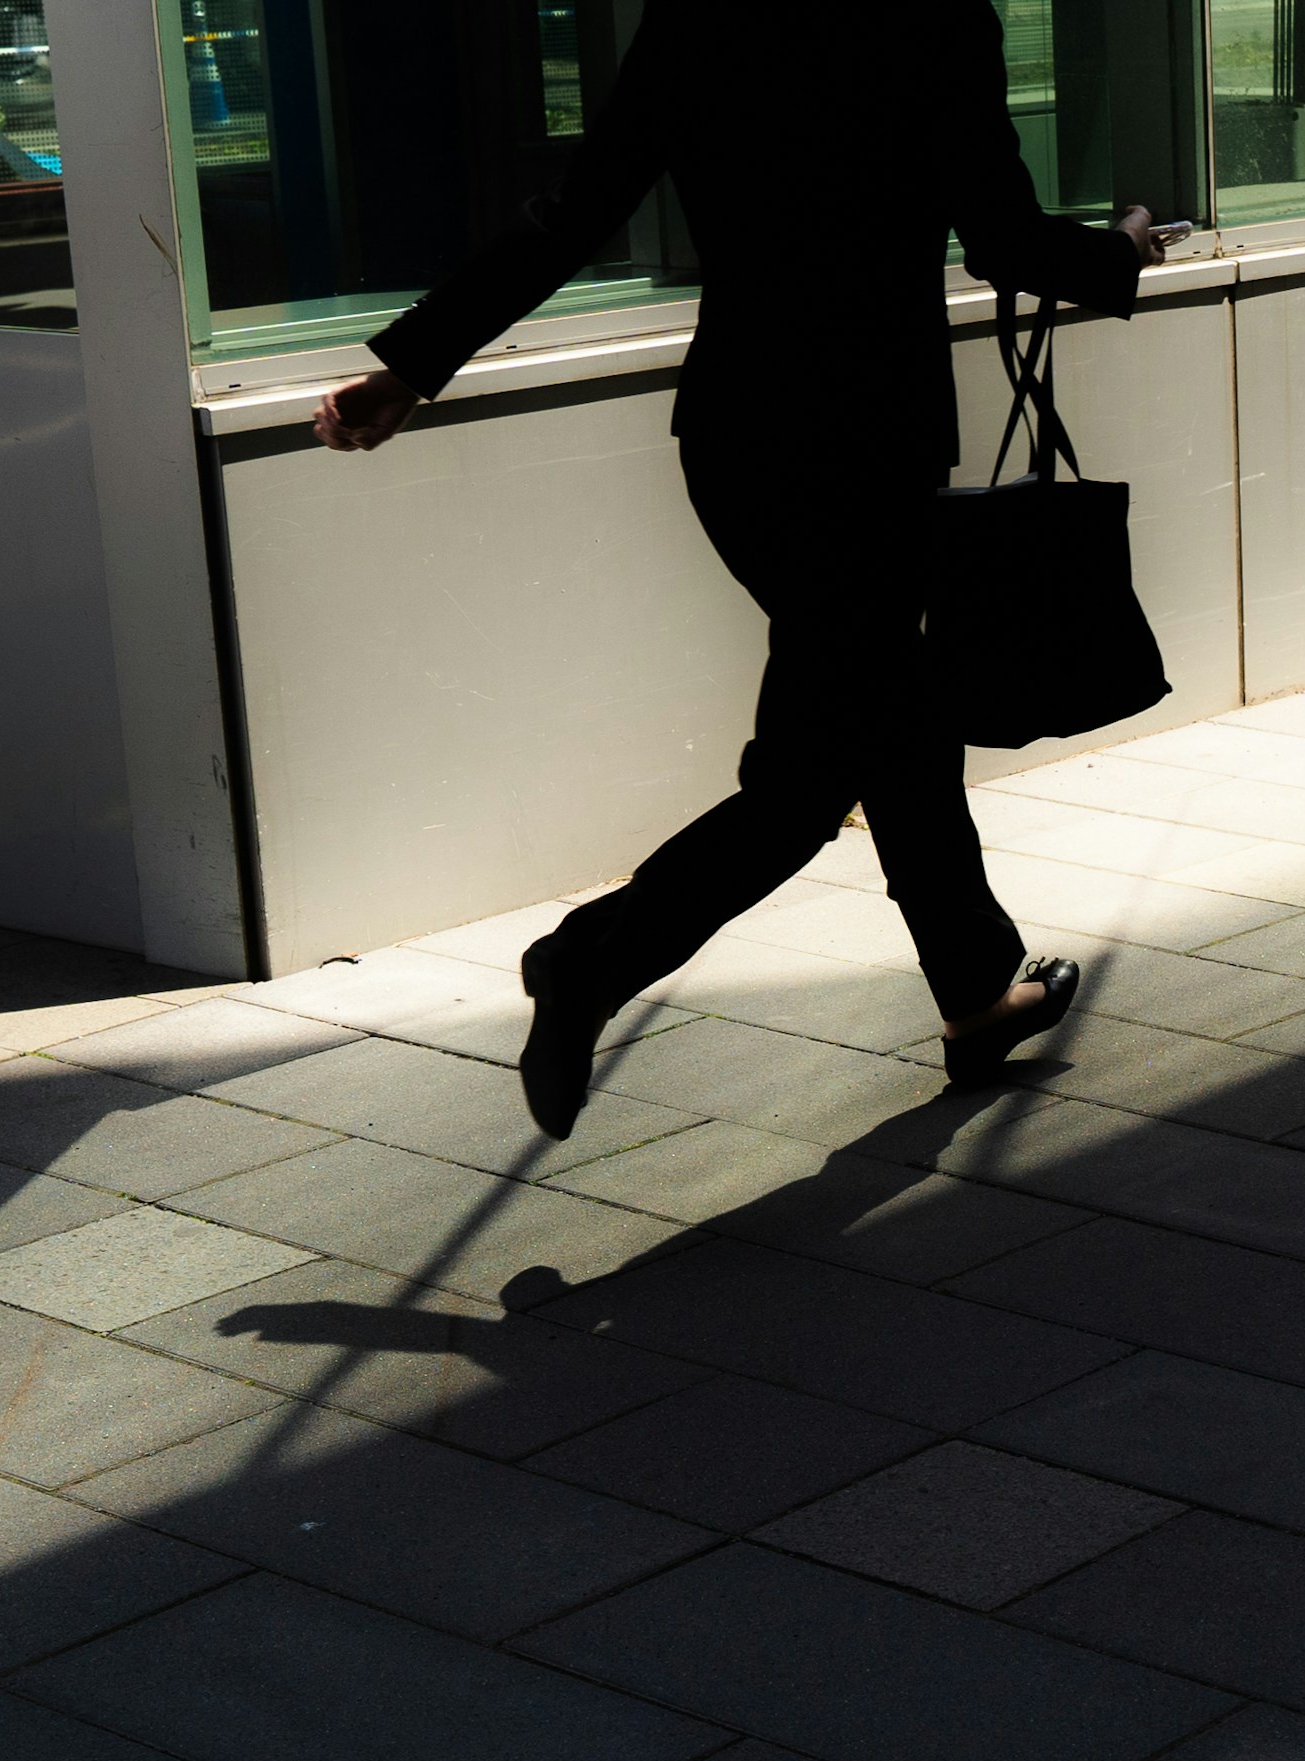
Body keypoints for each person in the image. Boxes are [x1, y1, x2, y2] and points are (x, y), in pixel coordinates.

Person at [313, 0, 1168, 1138]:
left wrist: (409, 371)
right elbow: (1002, 241)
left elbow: (572, 215)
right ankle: (589, 963)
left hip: (737, 442)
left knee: (888, 717)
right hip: (868, 448)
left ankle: (976, 995)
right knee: (814, 773)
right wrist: (1122, 249)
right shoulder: (932, 22)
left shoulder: (700, 18)